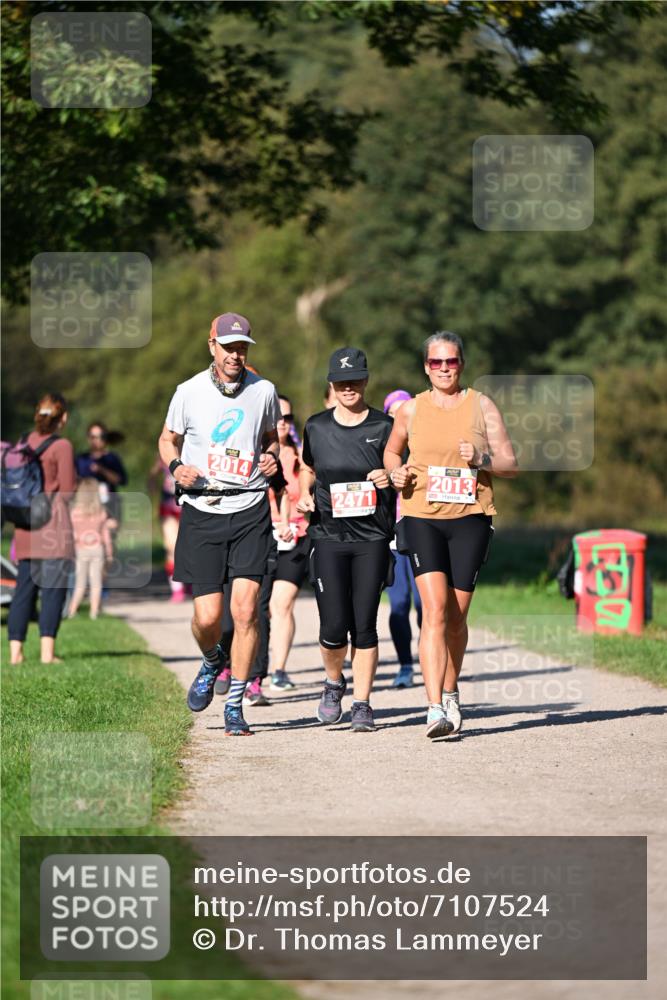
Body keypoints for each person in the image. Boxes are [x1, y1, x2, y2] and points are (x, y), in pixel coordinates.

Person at [384, 331, 518, 739]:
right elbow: (392, 452)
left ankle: (451, 689)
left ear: (462, 364)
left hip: (470, 519)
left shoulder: (482, 406)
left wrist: (482, 459)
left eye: (452, 362)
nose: (445, 369)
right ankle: (433, 708)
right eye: (437, 362)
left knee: (457, 618)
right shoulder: (410, 410)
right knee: (435, 610)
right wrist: (396, 472)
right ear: (426, 366)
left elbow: (511, 463)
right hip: (421, 515)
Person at [158, 312, 281, 736]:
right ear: (212, 345)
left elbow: (271, 437)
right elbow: (166, 439)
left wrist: (272, 456)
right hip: (202, 510)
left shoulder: (263, 390)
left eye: (242, 347)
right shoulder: (188, 392)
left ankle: (235, 705)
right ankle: (212, 660)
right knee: (208, 618)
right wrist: (176, 467)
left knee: (245, 611)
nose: (235, 354)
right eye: (228, 347)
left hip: (249, 508)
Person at [297, 347, 395, 733]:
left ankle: (362, 704)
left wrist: (390, 477)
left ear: (366, 380)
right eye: (341, 382)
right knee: (334, 627)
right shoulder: (317, 427)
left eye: (355, 380)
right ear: (331, 385)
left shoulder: (385, 427)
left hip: (372, 536)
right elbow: (309, 469)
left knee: (365, 624)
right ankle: (334, 682)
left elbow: (404, 472)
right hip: (328, 535)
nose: (349, 387)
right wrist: (304, 495)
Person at [8, 393, 76, 664]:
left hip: (25, 526)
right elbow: (68, 490)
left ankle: (16, 654)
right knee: (52, 591)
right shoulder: (62, 446)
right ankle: (47, 654)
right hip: (53, 527)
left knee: (23, 590)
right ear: (64, 418)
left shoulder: (22, 442)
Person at [268, 395, 311, 691]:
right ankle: (248, 670)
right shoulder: (257, 453)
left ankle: (279, 669)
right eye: (277, 417)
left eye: (288, 418)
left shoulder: (302, 457)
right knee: (256, 608)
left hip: (296, 538)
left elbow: (310, 493)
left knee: (281, 604)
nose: (283, 423)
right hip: (260, 536)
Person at [383, 390, 422, 688]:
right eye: (392, 412)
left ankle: (430, 656)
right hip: (391, 538)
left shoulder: (424, 447)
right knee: (398, 604)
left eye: (403, 411)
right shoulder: (380, 450)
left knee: (425, 605)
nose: (398, 417)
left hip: (422, 533)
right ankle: (405, 666)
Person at [67, 478, 114, 619]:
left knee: (80, 583)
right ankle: (94, 612)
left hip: (80, 550)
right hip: (97, 549)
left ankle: (71, 610)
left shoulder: (74, 513)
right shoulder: (101, 512)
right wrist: (109, 553)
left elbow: (72, 535)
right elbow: (106, 535)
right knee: (96, 583)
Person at [148, 456, 187, 602]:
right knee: (171, 546)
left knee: (189, 546)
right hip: (168, 504)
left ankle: (188, 579)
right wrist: (152, 487)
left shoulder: (193, 447)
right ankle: (177, 588)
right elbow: (153, 474)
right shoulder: (164, 454)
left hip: (189, 504)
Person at [76, 422, 127, 523]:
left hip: (109, 505)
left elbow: (121, 480)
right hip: (87, 506)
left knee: (107, 537)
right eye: (93, 437)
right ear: (88, 438)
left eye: (100, 436)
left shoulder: (112, 458)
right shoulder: (81, 459)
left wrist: (102, 470)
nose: (96, 440)